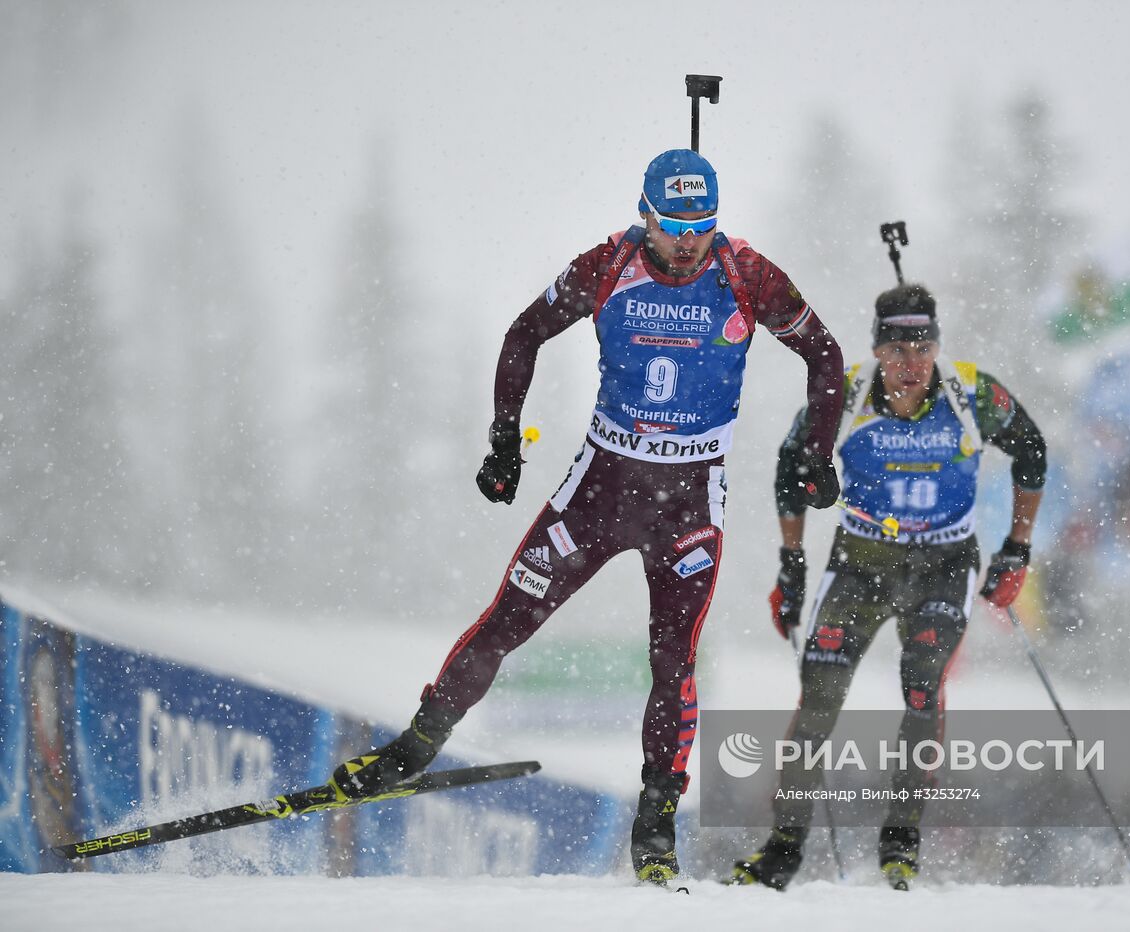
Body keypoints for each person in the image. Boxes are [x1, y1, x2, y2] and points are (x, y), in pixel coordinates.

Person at [327, 149, 845, 886]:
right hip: (601, 491)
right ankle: (411, 750)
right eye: (674, 226)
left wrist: (817, 456)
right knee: (509, 619)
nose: (689, 241)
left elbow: (824, 354)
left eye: (703, 225)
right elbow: (522, 334)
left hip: (690, 505)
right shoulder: (608, 264)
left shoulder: (747, 273)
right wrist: (504, 442)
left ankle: (656, 828)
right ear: (645, 214)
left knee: (673, 660)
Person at [729, 282, 1048, 890]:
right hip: (859, 567)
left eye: (921, 349)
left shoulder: (971, 394)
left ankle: (900, 844)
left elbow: (1031, 449)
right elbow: (789, 465)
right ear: (877, 350)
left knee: (922, 688)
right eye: (896, 350)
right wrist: (791, 564)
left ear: (936, 349)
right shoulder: (844, 395)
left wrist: (1017, 551)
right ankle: (782, 848)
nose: (909, 365)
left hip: (942, 566)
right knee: (819, 698)